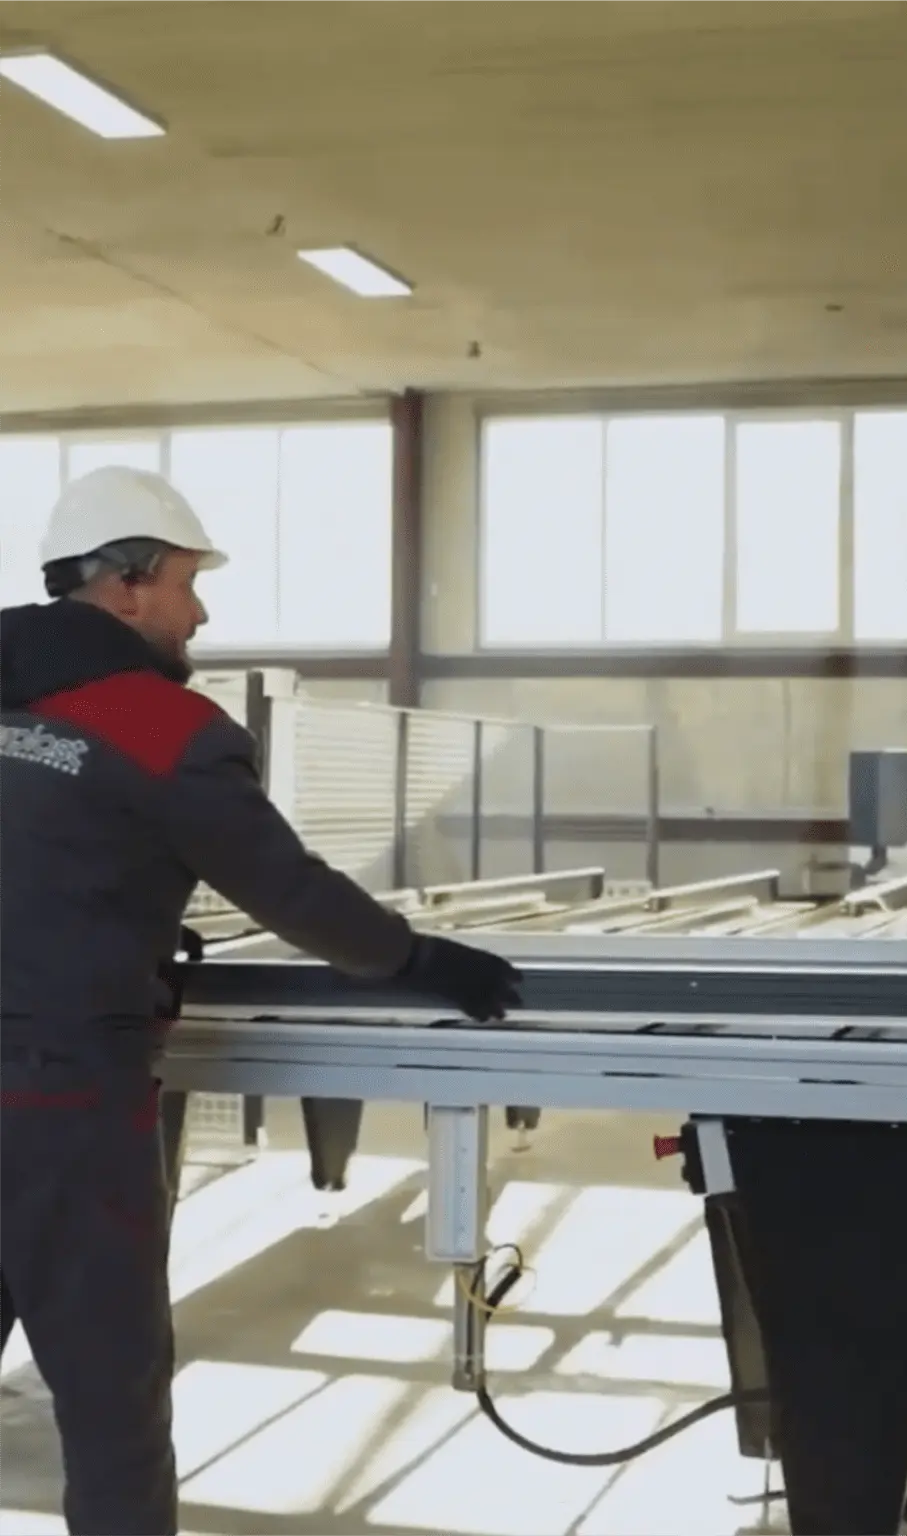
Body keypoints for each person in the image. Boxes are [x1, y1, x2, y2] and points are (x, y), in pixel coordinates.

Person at [0, 465, 521, 1536]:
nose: (200, 613)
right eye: (187, 584)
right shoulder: (163, 728)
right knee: (108, 1396)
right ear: (127, 584)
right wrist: (419, 960)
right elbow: (292, 893)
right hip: (63, 1107)